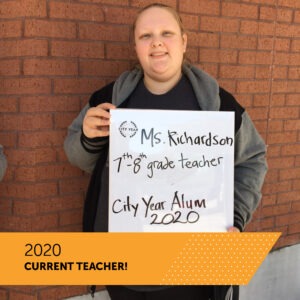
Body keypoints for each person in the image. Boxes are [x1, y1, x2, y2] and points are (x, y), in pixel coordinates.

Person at [64, 3, 267, 300]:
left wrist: (234, 219)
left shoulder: (219, 105)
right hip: (125, 266)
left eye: (166, 33)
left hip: (193, 271)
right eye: (146, 35)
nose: (157, 42)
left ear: (184, 41)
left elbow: (252, 160)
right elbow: (78, 157)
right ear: (135, 46)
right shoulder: (109, 101)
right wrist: (87, 137)